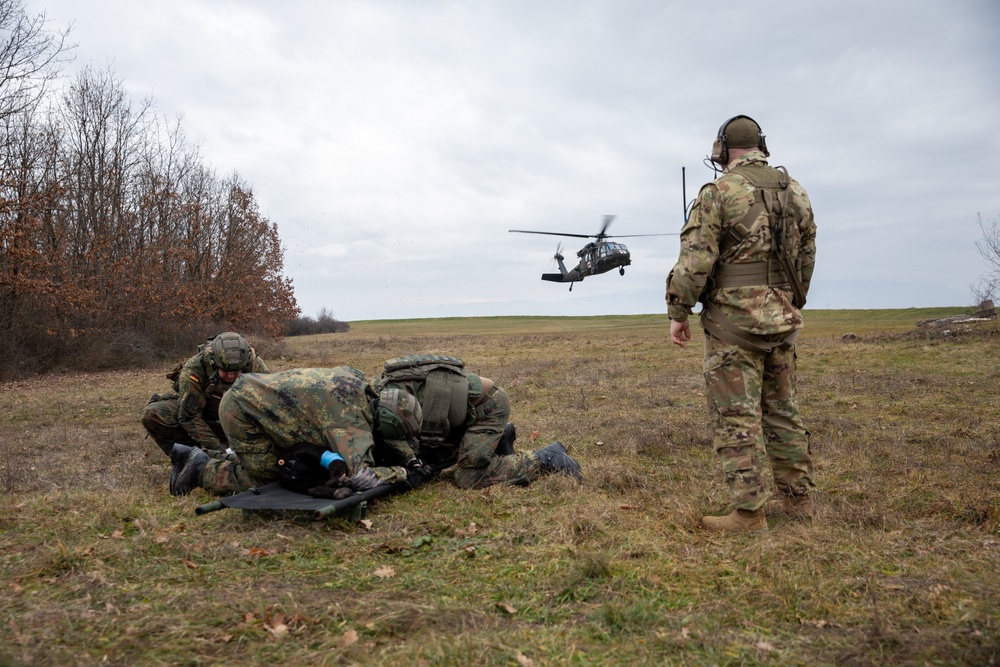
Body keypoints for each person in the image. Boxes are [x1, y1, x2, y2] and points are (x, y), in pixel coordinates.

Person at [665, 115, 817, 532]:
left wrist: (679, 312)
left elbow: (695, 262)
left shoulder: (717, 192)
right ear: (761, 146)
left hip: (732, 326)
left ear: (721, 150)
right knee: (783, 411)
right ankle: (799, 503)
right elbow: (806, 259)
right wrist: (787, 301)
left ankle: (749, 514)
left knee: (736, 416)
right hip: (781, 322)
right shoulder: (796, 192)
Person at [168, 366, 424, 496]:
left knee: (293, 460)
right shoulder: (350, 424)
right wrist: (402, 471)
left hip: (261, 400)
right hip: (242, 411)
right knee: (276, 474)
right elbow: (361, 475)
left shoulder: (360, 387)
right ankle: (200, 469)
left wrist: (410, 456)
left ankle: (212, 458)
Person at [373, 353, 581, 489]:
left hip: (488, 405)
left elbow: (401, 441)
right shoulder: (383, 396)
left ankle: (545, 457)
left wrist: (410, 463)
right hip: (468, 410)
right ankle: (499, 439)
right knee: (427, 458)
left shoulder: (389, 402)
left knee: (467, 477)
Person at [141, 332, 269, 456]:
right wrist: (219, 449)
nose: (231, 376)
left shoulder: (256, 366)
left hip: (240, 424)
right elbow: (189, 416)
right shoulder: (195, 369)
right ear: (214, 362)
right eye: (225, 370)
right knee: (153, 413)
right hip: (207, 420)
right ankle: (189, 456)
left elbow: (270, 408)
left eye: (236, 371)